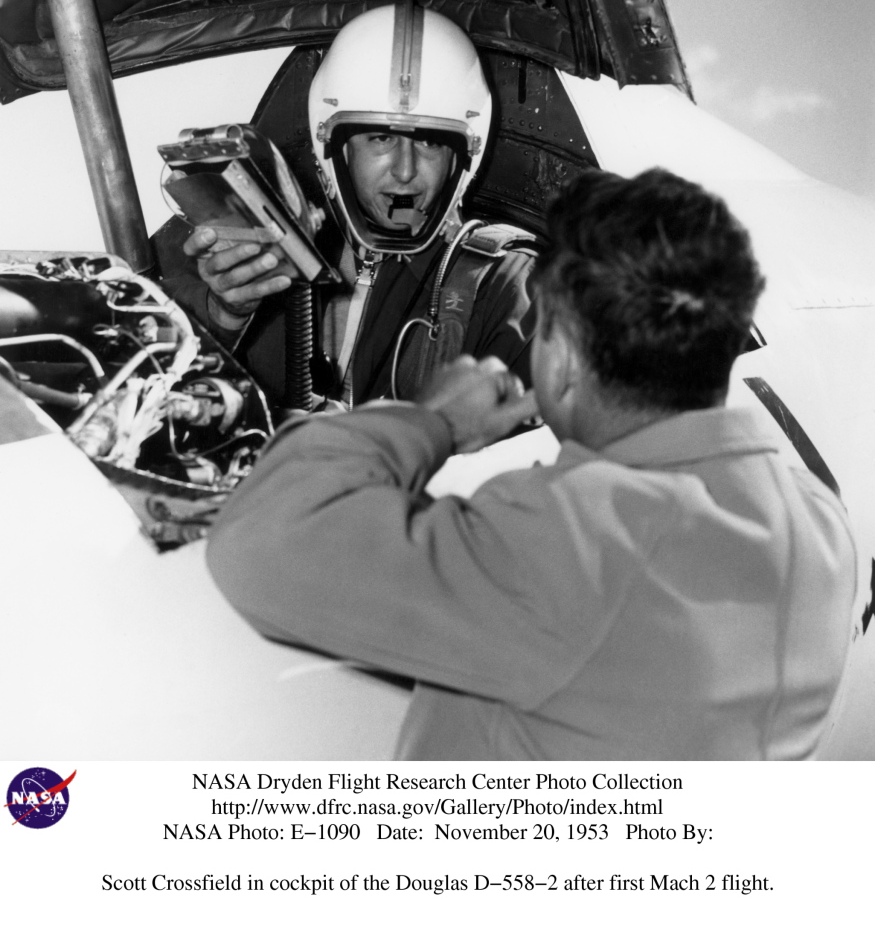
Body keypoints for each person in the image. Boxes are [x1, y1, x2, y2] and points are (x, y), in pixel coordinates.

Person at [206, 167, 856, 760]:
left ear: (565, 359)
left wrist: (433, 421)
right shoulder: (819, 523)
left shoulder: (573, 537)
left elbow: (261, 541)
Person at [156, 3, 537, 409]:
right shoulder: (263, 249)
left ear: (463, 158)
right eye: (380, 139)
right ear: (336, 150)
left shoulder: (506, 285)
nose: (405, 171)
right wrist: (225, 313)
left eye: (429, 142)